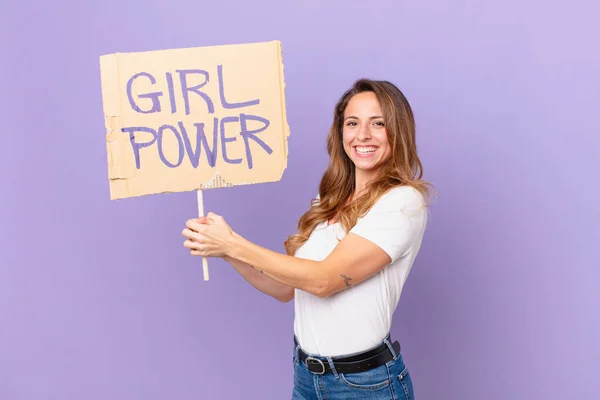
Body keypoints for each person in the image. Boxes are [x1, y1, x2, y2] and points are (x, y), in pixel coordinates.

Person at [182, 78, 434, 399]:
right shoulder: (327, 199)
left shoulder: (402, 203)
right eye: (352, 123)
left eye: (378, 124)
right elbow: (285, 288)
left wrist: (232, 242)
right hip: (307, 378)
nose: (363, 135)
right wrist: (225, 251)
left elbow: (323, 282)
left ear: (398, 131)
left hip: (363, 386)